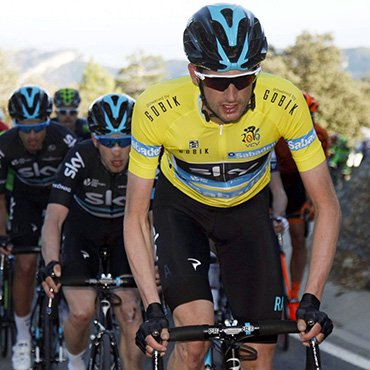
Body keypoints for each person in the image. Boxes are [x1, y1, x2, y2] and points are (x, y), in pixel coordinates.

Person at [123, 4, 341, 370]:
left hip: (247, 212)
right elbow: (135, 215)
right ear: (194, 74)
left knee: (259, 354)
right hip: (183, 210)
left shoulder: (285, 102)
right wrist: (152, 306)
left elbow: (327, 205)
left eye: (243, 79)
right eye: (216, 81)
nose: (231, 95)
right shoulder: (156, 108)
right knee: (192, 340)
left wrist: (311, 298)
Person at [39, 93, 144, 370]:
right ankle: (75, 362)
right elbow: (54, 217)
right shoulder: (79, 155)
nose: (118, 151)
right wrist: (50, 262)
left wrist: (157, 260)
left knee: (132, 313)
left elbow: (152, 219)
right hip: (82, 235)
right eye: (109, 143)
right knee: (82, 311)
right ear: (96, 139)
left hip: (125, 236)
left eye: (125, 141)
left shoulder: (145, 157)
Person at [0, 85, 77, 370]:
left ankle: (72, 329)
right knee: (24, 265)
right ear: (16, 123)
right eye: (25, 128)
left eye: (39, 127)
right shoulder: (5, 143)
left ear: (49, 121)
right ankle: (22, 339)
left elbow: (78, 185)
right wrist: (2, 234)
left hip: (62, 198)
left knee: (67, 263)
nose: (32, 135)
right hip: (26, 199)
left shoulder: (65, 139)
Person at [274, 91, 330, 319]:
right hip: (273, 179)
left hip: (299, 181)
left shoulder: (319, 135)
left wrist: (310, 202)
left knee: (298, 236)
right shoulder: (275, 132)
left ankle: (295, 294)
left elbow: (317, 172)